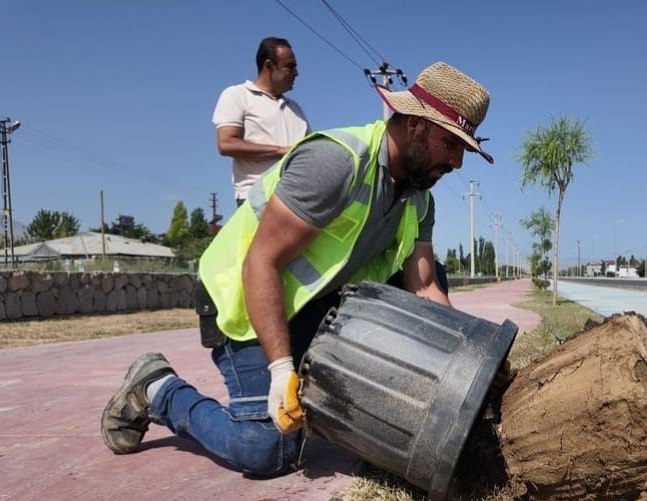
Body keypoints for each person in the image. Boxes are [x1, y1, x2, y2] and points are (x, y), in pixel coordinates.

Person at [102, 62, 493, 476]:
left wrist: (472, 369)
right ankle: (158, 388)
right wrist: (281, 370)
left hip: (311, 308)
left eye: (463, 150)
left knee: (438, 283)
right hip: (242, 301)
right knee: (266, 450)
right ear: (415, 124)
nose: (456, 162)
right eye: (451, 144)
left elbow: (425, 287)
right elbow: (261, 261)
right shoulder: (336, 163)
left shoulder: (419, 197)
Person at [213, 36, 311, 206]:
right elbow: (226, 144)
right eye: (290, 66)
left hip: (298, 199)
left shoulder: (295, 109)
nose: (297, 73)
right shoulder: (237, 95)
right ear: (269, 66)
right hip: (259, 197)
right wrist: (282, 151)